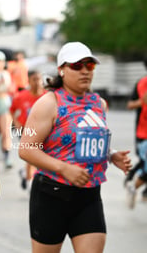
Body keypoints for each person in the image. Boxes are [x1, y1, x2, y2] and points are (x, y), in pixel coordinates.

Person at [18, 41, 132, 253]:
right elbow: (26, 148)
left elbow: (87, 141)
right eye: (77, 66)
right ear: (62, 70)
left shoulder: (99, 104)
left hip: (89, 196)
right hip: (51, 195)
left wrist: (112, 155)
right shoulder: (48, 103)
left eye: (89, 66)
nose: (85, 71)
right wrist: (64, 168)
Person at [10, 70, 46, 190]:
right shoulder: (21, 96)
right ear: (29, 81)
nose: (37, 82)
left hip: (43, 131)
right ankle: (31, 185)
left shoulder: (47, 96)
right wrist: (16, 123)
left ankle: (25, 173)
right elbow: (12, 110)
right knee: (31, 158)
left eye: (39, 79)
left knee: (39, 158)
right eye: (34, 79)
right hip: (26, 131)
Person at [125, 57, 147, 208]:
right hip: (144, 133)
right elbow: (130, 104)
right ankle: (133, 185)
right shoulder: (141, 84)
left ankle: (133, 186)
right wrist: (141, 102)